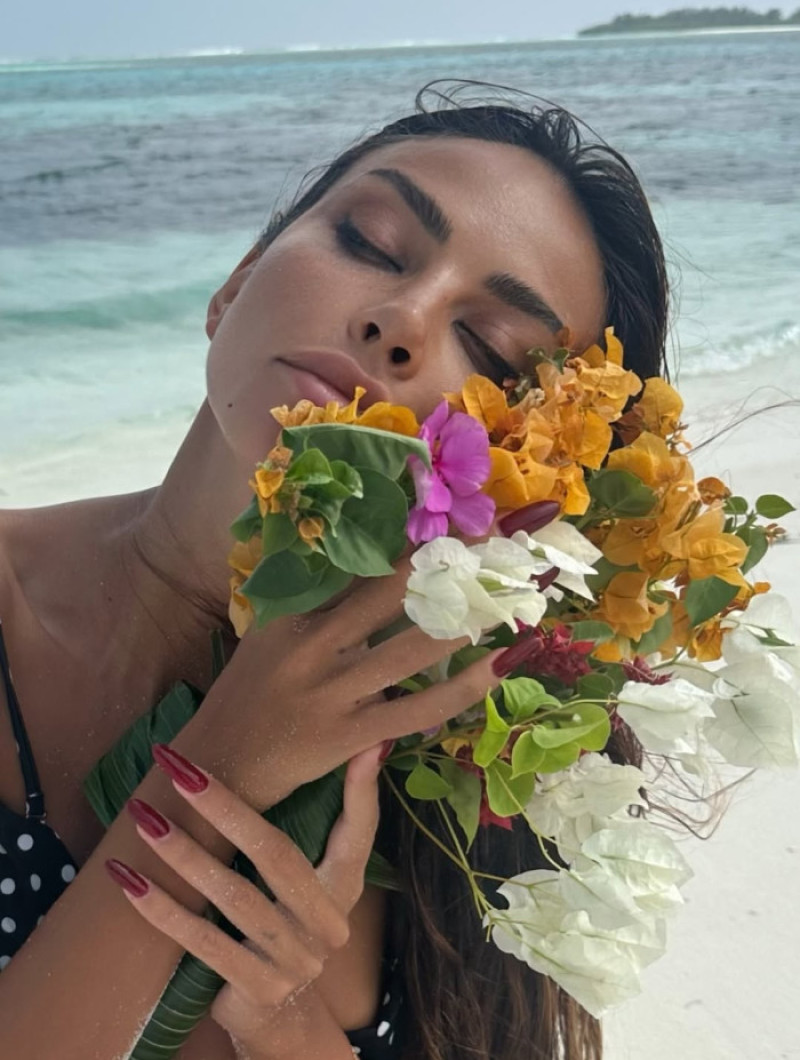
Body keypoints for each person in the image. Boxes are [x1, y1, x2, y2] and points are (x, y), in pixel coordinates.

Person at [0, 83, 668, 1060]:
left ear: (541, 466)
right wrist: (224, 769)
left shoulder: (467, 754)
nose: (401, 319)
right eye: (371, 243)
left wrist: (285, 1024)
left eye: (490, 347)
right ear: (236, 281)